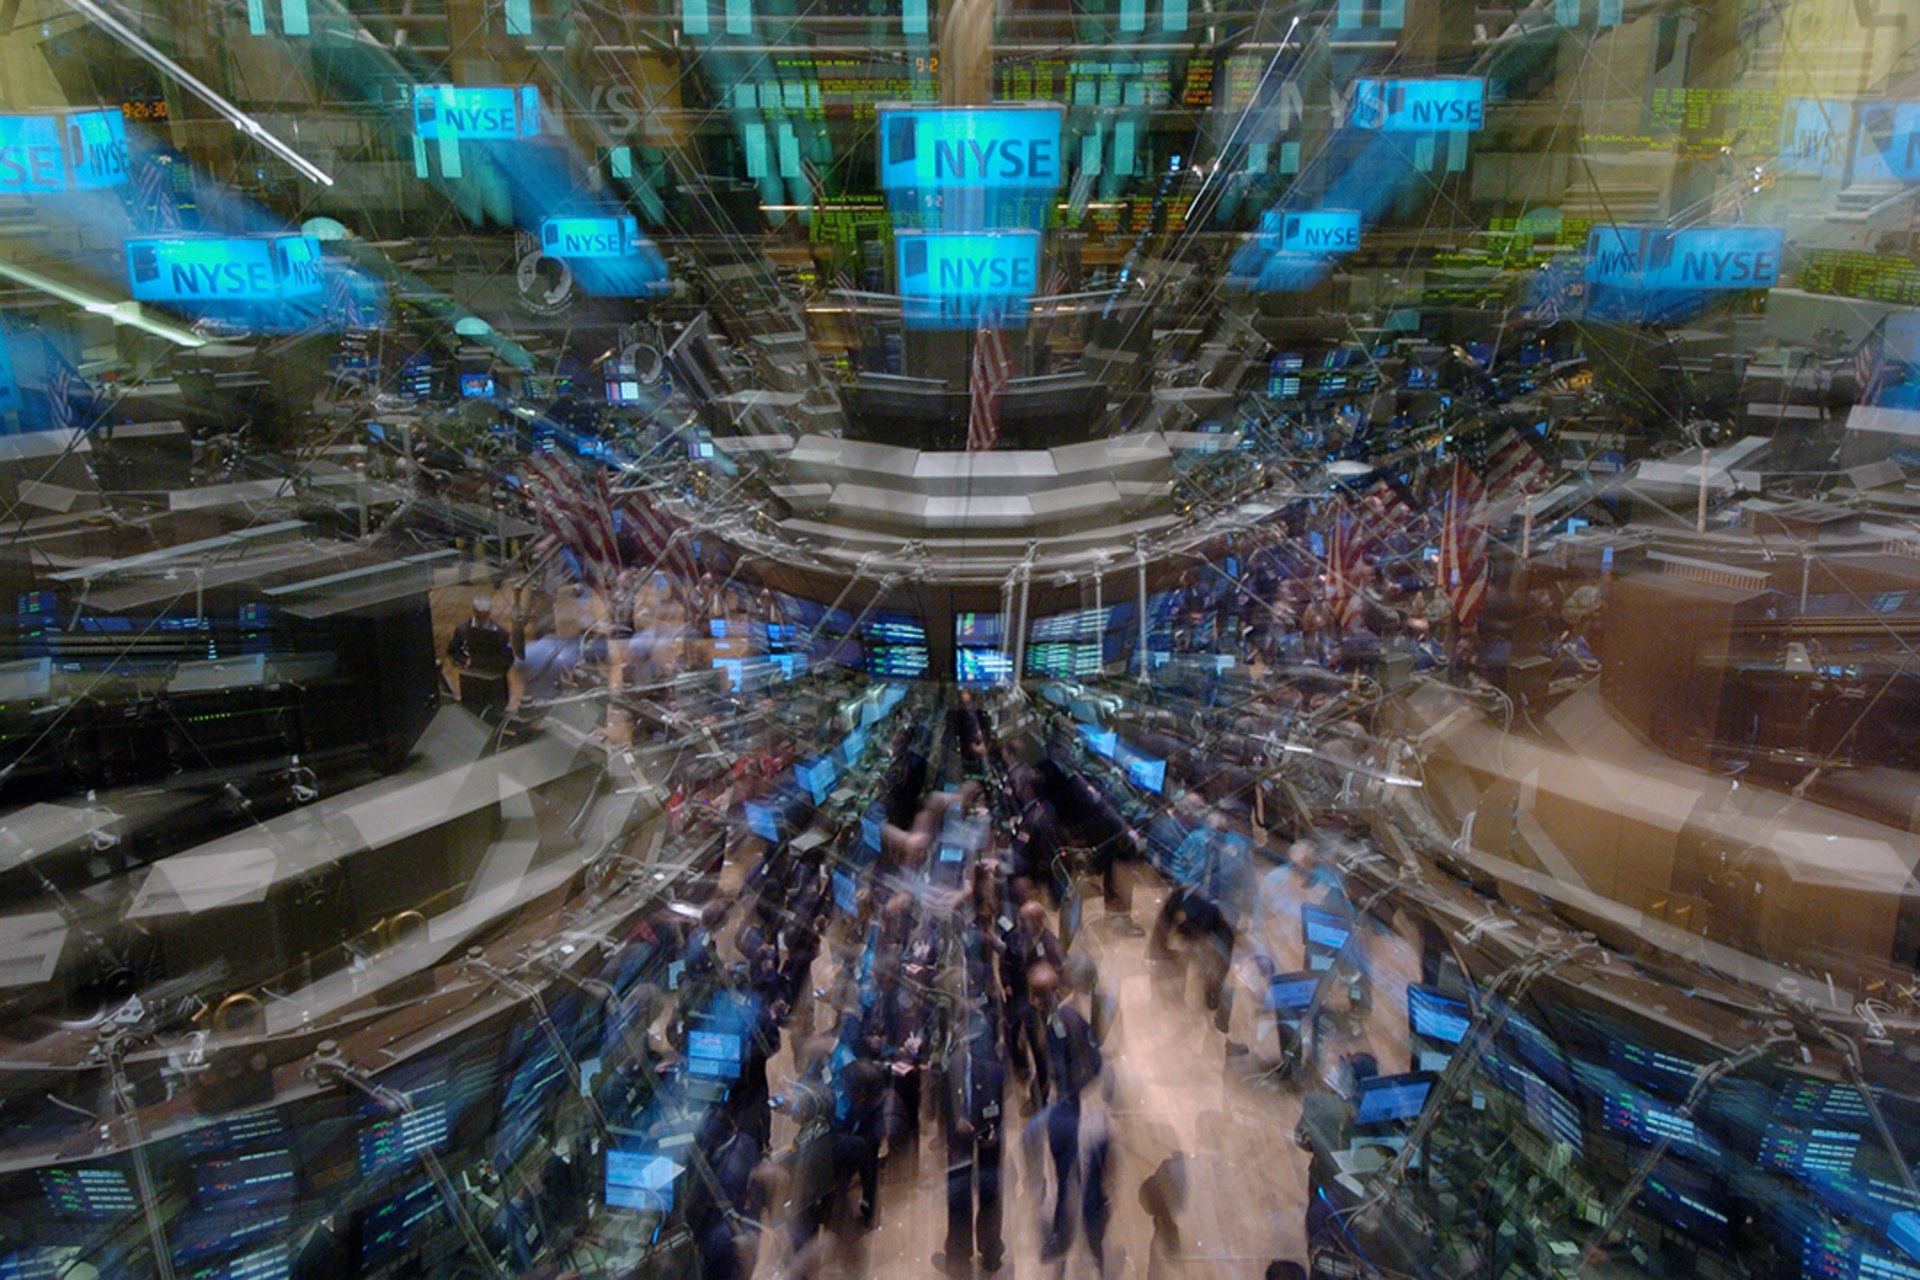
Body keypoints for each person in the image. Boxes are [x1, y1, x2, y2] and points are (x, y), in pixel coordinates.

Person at [1031, 962, 1103, 1263]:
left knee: (1064, 1172)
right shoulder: (1070, 1015)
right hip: (1066, 1104)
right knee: (1065, 1167)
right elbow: (1096, 1060)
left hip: (1065, 1109)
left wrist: (1066, 1094)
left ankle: (1062, 1235)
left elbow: (1086, 1064)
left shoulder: (1059, 1024)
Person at [937, 1008, 1007, 1275]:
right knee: (960, 1192)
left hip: (985, 1134)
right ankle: (961, 1253)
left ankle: (988, 1252)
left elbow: (997, 1095)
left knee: (986, 1190)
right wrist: (954, 1123)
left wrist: (992, 1130)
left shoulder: (988, 1064)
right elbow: (945, 1098)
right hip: (960, 1137)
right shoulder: (951, 1060)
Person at [447, 593, 513, 720]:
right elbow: (453, 651)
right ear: (474, 611)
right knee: (471, 713)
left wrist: (498, 666)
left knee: (496, 714)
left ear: (489, 613)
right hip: (472, 677)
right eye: (479, 614)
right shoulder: (462, 630)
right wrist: (464, 661)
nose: (482, 618)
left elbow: (509, 658)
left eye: (485, 615)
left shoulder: (501, 634)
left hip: (495, 679)